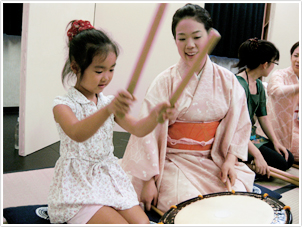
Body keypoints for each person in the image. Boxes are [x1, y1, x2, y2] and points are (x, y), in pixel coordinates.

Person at [121, 4, 255, 213]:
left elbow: (239, 124)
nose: (189, 45)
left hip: (214, 159)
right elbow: (146, 134)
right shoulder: (164, 81)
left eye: (196, 37)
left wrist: (230, 159)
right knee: (190, 206)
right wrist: (148, 181)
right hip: (172, 161)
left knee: (235, 200)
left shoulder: (227, 80)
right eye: (181, 38)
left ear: (209, 36)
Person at [47, 20, 174, 224]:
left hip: (108, 178)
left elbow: (138, 129)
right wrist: (108, 110)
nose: (106, 77)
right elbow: (77, 133)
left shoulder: (107, 102)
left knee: (142, 223)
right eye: (99, 71)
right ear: (76, 67)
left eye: (112, 69)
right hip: (78, 184)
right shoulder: (62, 105)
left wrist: (155, 117)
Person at [234, 38, 294, 178]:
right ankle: (244, 166)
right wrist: (257, 154)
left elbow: (263, 117)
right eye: (274, 62)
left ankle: (250, 165)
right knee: (279, 163)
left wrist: (276, 142)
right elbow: (234, 128)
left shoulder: (259, 85)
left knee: (287, 158)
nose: (274, 66)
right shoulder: (238, 84)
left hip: (252, 136)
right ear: (265, 64)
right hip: (237, 137)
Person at [266, 41, 299, 163]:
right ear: (291, 56)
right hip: (281, 131)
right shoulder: (280, 74)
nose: (298, 60)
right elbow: (276, 91)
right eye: (296, 55)